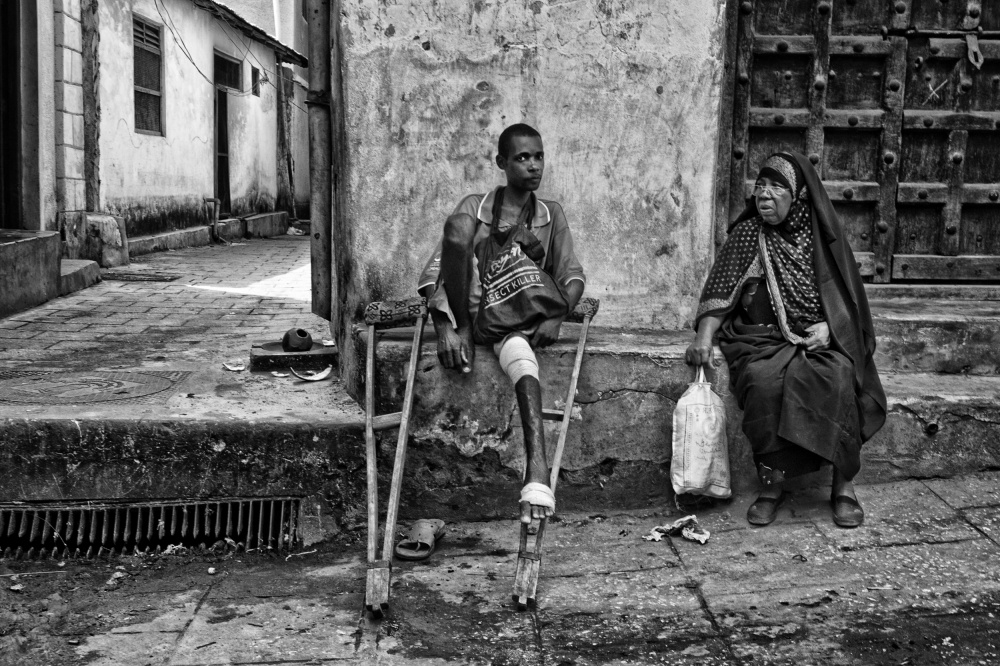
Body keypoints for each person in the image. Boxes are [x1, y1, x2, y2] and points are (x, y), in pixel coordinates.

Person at [685, 151, 886, 528]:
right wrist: (703, 336)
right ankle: (772, 487)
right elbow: (719, 291)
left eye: (776, 187)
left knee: (840, 376)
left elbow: (848, 301)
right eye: (760, 186)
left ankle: (843, 486)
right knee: (763, 384)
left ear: (796, 195)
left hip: (819, 341)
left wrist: (832, 329)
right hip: (762, 341)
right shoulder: (749, 234)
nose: (764, 194)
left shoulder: (820, 237)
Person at [417, 123, 586, 525]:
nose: (533, 166)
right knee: (457, 230)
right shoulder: (476, 207)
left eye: (538, 156)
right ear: (501, 163)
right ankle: (464, 329)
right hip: (471, 314)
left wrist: (557, 314)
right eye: (522, 158)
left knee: (521, 359)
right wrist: (447, 327)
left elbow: (573, 277)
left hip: (516, 320)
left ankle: (538, 472)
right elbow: (431, 277)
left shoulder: (549, 215)